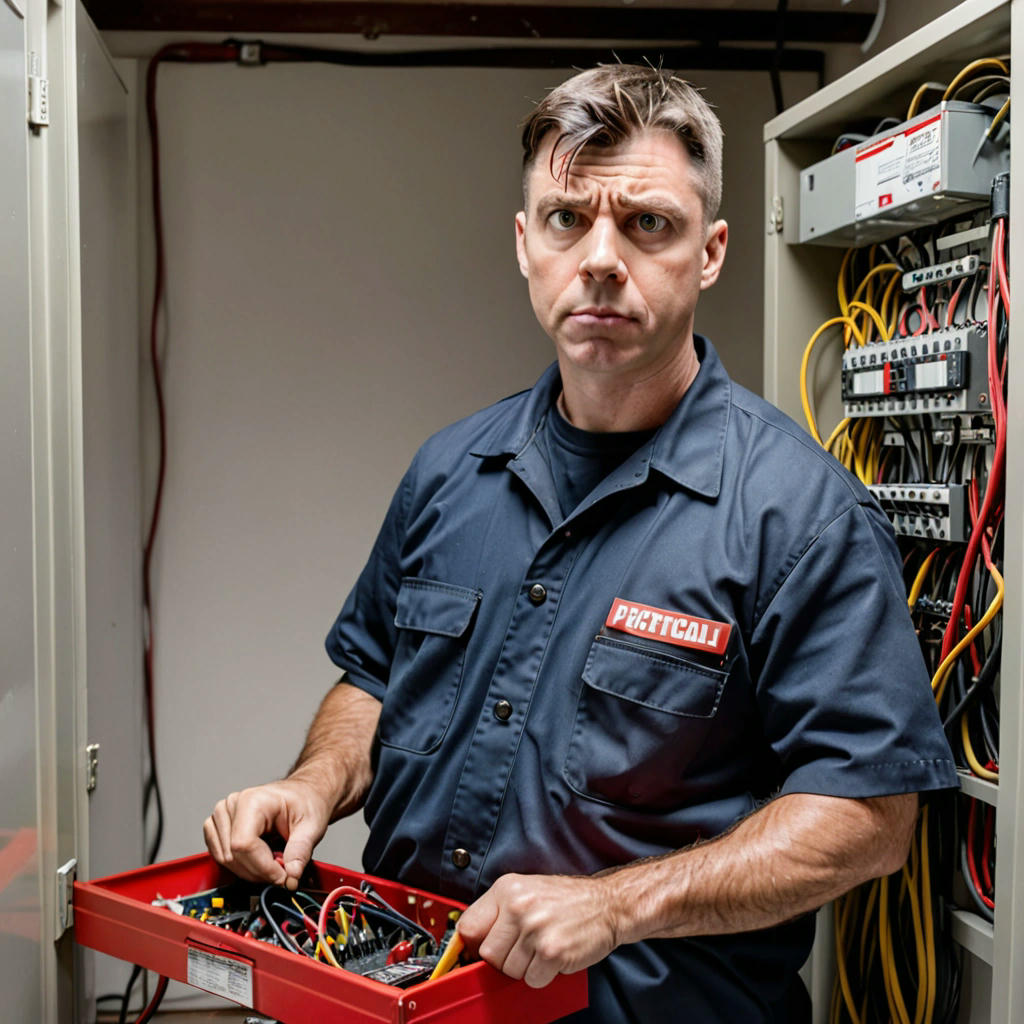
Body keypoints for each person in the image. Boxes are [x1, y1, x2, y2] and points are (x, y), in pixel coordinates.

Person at [204, 64, 957, 1021]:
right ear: (526, 244)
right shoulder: (449, 471)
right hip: (412, 994)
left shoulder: (799, 517)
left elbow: (871, 816)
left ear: (713, 250)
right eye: (567, 218)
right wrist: (313, 785)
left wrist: (617, 905)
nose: (602, 257)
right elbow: (375, 677)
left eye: (649, 223)